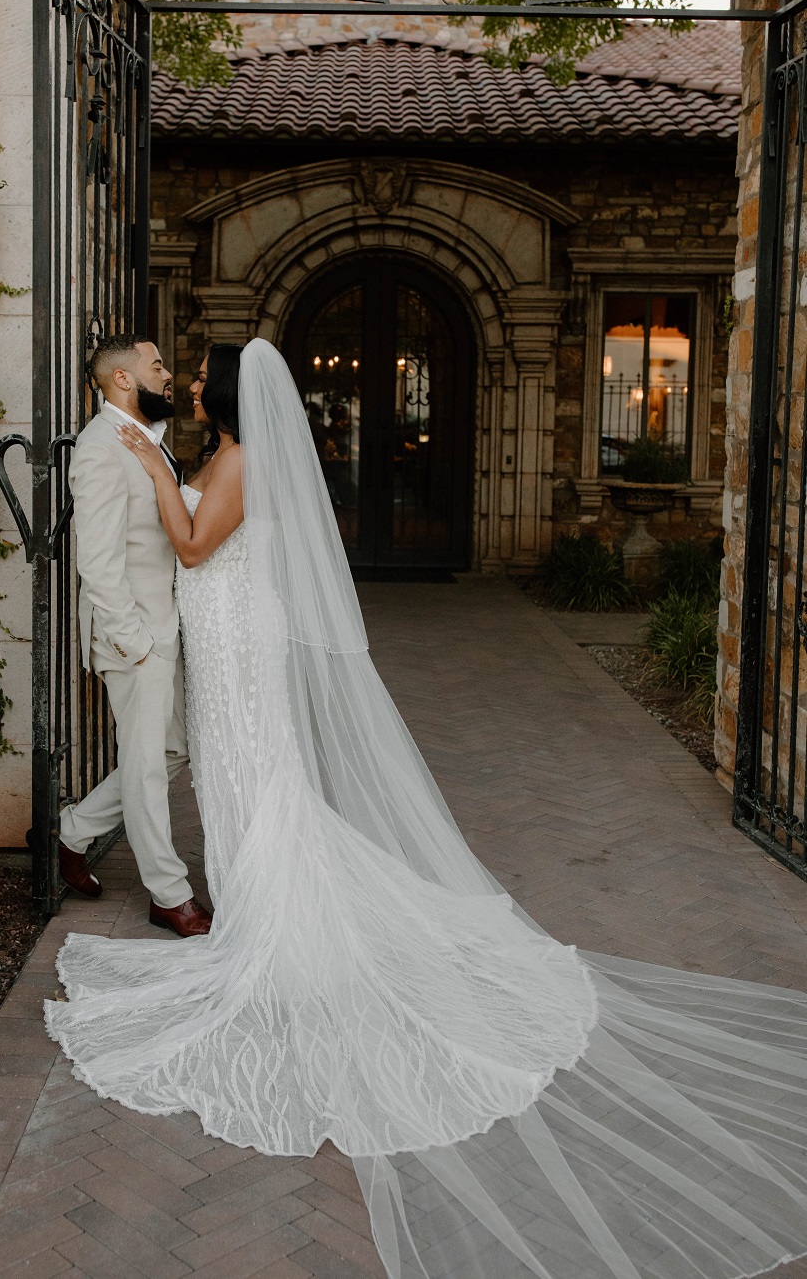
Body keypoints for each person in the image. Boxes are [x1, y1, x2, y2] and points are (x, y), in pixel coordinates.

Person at [47, 339, 807, 1279]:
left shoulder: (234, 461)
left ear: (232, 397)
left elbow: (197, 545)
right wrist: (166, 471)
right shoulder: (215, 454)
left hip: (238, 654)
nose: (192, 386)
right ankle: (249, 900)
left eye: (202, 376)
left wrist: (159, 480)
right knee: (234, 782)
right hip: (220, 644)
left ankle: (278, 926)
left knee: (253, 781)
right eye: (183, 375)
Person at [51, 333, 212, 938]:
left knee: (171, 752)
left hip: (162, 632)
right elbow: (97, 562)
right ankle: (168, 896)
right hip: (137, 638)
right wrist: (133, 640)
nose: (168, 374)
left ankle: (74, 830)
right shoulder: (100, 449)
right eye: (158, 365)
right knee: (145, 765)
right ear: (122, 378)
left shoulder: (146, 442)